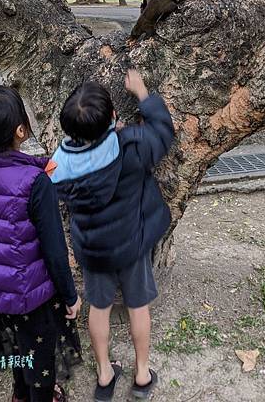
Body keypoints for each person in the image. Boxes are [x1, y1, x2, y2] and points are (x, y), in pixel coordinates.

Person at [51, 70, 174, 402]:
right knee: (138, 306)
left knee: (99, 308)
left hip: (93, 252)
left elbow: (48, 183)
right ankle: (142, 374)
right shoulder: (130, 146)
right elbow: (163, 133)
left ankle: (105, 374)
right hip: (132, 246)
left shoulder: (59, 165)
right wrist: (144, 95)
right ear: (114, 117)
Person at [0, 85, 82, 402]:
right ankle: (39, 395)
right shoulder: (35, 184)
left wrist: (46, 164)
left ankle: (19, 393)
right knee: (39, 356)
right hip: (32, 297)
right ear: (21, 130)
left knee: (13, 348)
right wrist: (70, 295)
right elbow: (55, 251)